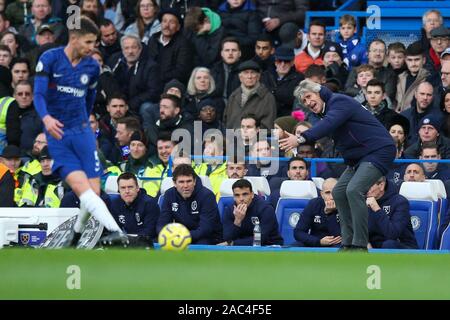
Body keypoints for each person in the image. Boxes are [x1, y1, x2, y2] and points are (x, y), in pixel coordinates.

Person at [33, 17, 128, 246]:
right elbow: (39, 94)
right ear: (74, 38)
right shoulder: (50, 59)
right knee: (82, 188)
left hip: (82, 134)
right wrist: (46, 119)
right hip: (59, 135)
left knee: (93, 191)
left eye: (94, 42)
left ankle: (76, 233)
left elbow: (89, 99)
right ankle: (116, 231)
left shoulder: (92, 67)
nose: (92, 47)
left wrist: (84, 124)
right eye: (88, 42)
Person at [280, 79, 397, 251]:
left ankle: (360, 244)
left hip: (379, 151)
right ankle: (347, 242)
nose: (308, 103)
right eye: (304, 101)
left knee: (354, 189)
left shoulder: (338, 102)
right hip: (360, 158)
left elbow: (327, 126)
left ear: (319, 92)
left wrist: (299, 139)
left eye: (309, 96)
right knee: (339, 192)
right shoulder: (326, 110)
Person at [157, 164, 223, 244]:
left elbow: (205, 228)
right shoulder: (169, 194)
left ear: (194, 181)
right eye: (181, 182)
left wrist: (182, 237)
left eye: (189, 181)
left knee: (202, 243)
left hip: (207, 238)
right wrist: (167, 235)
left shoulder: (207, 196)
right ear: (174, 183)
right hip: (180, 237)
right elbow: (162, 223)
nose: (185, 186)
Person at [220, 178, 283, 246]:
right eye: (237, 195)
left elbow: (260, 240)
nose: (241, 199)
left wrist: (234, 243)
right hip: (240, 248)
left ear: (252, 194)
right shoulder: (230, 209)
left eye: (245, 194)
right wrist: (237, 221)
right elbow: (227, 238)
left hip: (269, 247)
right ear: (233, 197)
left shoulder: (265, 208)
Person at [367, 176, 418, 249]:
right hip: (374, 248)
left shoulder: (400, 202)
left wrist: (377, 209)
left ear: (381, 186)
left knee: (389, 245)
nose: (364, 188)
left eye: (369, 185)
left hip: (402, 248)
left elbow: (392, 234)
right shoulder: (361, 201)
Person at [224, 60, 276, 130]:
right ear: (240, 77)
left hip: (257, 140)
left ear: (258, 77)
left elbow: (268, 126)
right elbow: (227, 121)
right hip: (233, 139)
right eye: (246, 73)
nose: (249, 76)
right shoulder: (233, 96)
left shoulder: (267, 98)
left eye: (253, 73)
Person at [110, 172, 160, 245]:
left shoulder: (149, 204)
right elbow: (112, 230)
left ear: (137, 188)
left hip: (147, 245)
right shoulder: (115, 204)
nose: (127, 191)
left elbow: (149, 233)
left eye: (130, 187)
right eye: (123, 188)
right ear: (118, 190)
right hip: (125, 244)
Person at [293, 178, 341, 247]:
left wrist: (330, 213)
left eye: (335, 192)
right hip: (316, 242)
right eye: (327, 193)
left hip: (337, 244)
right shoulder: (314, 204)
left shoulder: (347, 205)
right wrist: (319, 241)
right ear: (322, 194)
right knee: (295, 246)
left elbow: (339, 237)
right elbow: (298, 232)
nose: (331, 197)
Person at [396, 41, 432, 113]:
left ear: (424, 60)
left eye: (417, 60)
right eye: (410, 60)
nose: (413, 64)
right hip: (399, 118)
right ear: (405, 60)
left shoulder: (429, 78)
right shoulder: (400, 77)